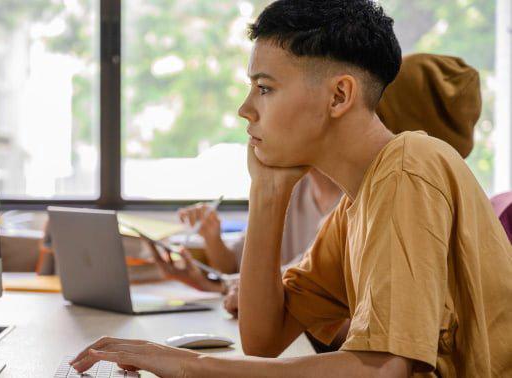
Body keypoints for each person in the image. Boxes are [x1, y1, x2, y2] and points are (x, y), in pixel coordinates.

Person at [71, 1, 512, 376]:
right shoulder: (356, 206)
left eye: (264, 88)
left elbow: (383, 369)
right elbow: (263, 338)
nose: (246, 110)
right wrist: (267, 193)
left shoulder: (407, 168)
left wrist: (189, 365)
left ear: (339, 96)